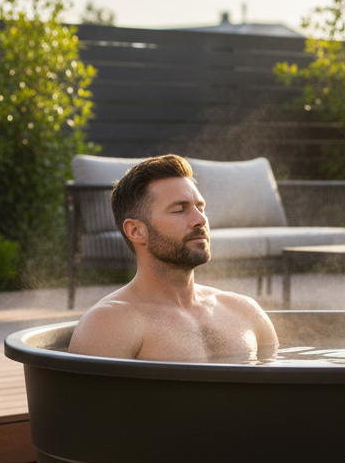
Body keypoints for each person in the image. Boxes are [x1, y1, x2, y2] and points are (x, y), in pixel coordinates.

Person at [69, 154, 278, 362]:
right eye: (179, 210)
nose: (201, 219)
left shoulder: (244, 311)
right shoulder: (110, 324)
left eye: (201, 207)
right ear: (136, 231)